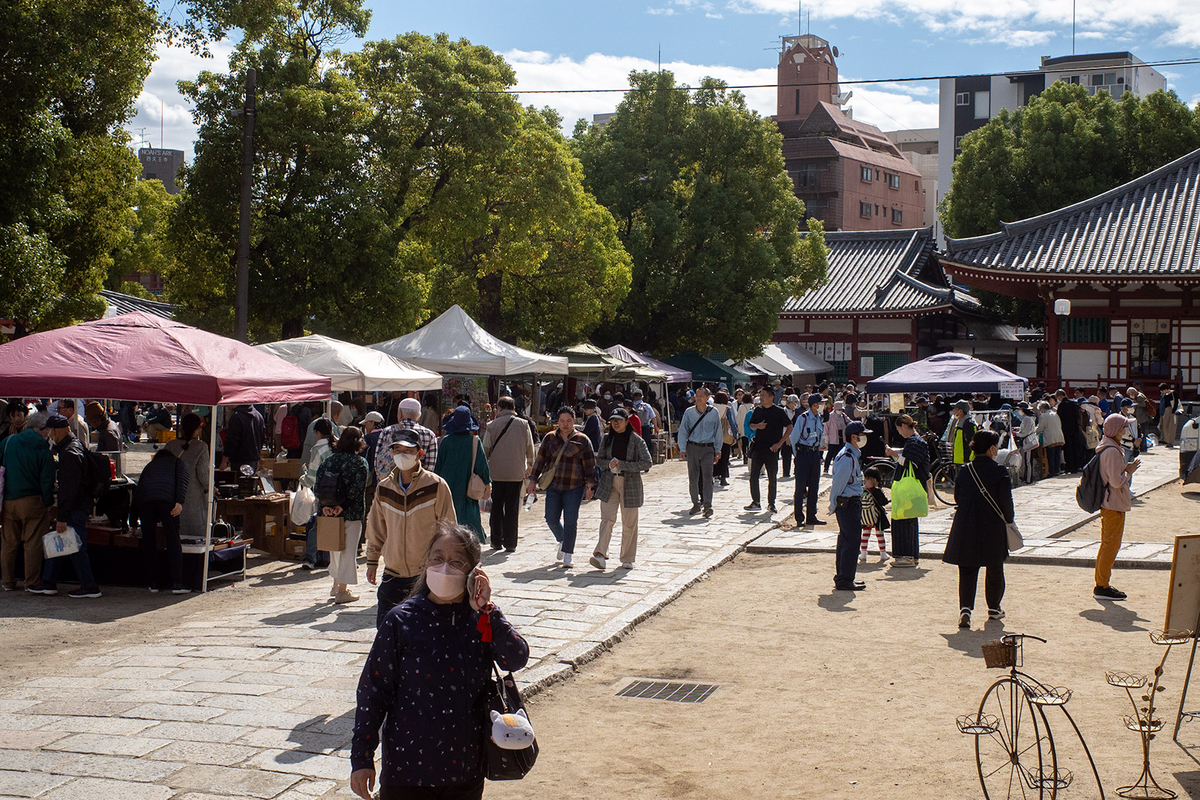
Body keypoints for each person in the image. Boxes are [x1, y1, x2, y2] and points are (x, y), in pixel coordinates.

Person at [350, 523, 528, 800]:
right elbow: (373, 691)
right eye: (437, 558)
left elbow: (515, 658)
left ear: (474, 571)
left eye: (456, 561)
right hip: (406, 770)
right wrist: (361, 759)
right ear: (426, 562)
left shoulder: (480, 618)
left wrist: (487, 611)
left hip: (465, 771)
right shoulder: (401, 620)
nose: (444, 567)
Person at [366, 430, 457, 627]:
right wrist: (372, 560)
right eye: (397, 449)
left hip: (425, 575)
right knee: (386, 633)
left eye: (408, 450)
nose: (402, 454)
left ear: (420, 453)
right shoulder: (384, 488)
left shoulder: (436, 486)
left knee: (425, 634)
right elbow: (376, 528)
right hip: (393, 573)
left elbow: (449, 528)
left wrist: (448, 564)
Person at [21, 416, 102, 598]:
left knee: (75, 546)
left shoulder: (70, 453)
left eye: (50, 431)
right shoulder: (74, 446)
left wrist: (62, 517)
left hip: (74, 507)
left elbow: (68, 489)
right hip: (78, 505)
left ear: (57, 430)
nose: (49, 435)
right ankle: (49, 582)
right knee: (61, 543)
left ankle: (88, 585)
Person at [943, 430, 1014, 628]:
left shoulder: (965, 471)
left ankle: (965, 609)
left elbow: (957, 498)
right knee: (994, 567)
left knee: (967, 569)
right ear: (992, 449)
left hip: (966, 523)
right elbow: (1006, 503)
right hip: (992, 525)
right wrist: (1009, 519)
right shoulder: (1000, 471)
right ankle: (994, 608)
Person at [529, 408, 597, 567]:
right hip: (554, 485)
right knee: (550, 518)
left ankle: (568, 554)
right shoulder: (549, 438)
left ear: (574, 421)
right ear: (557, 422)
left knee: (571, 521)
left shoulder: (582, 440)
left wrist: (590, 486)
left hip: (575, 486)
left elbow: (589, 465)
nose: (565, 424)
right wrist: (532, 480)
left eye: (569, 421)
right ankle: (562, 540)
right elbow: (540, 461)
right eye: (562, 421)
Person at [590, 408, 653, 571]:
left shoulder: (637, 440)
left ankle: (627, 558)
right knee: (607, 519)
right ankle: (600, 554)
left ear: (627, 421)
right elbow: (599, 460)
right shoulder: (607, 439)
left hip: (630, 484)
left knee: (629, 522)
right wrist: (608, 464)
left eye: (619, 420)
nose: (616, 423)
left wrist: (624, 465)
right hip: (609, 483)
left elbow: (647, 462)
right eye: (613, 420)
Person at [315, 426, 370, 604]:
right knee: (349, 551)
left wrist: (326, 506)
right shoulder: (360, 463)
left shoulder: (328, 461)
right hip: (351, 513)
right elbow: (357, 489)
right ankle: (343, 591)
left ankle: (336, 584)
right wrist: (342, 506)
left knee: (335, 550)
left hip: (328, 512)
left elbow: (318, 487)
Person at [1, 413, 55, 591]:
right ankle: (31, 582)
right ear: (42, 429)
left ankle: (8, 582)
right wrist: (48, 502)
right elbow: (47, 480)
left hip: (8, 500)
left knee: (8, 543)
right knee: (32, 543)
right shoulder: (43, 448)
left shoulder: (8, 442)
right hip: (33, 501)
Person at [1094, 414, 1140, 601]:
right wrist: (1128, 472)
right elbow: (1116, 481)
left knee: (1109, 544)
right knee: (1110, 545)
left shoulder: (1109, 447)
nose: (1125, 430)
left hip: (1111, 502)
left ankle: (1102, 583)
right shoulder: (1112, 451)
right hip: (1113, 503)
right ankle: (1102, 585)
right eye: (1123, 427)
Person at [482, 397, 535, 553]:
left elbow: (485, 449)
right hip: (516, 472)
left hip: (496, 473)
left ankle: (496, 541)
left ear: (499, 408)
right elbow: (529, 447)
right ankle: (511, 543)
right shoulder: (523, 425)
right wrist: (530, 465)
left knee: (496, 507)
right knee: (512, 508)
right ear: (513, 408)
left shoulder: (492, 426)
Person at [434, 407, 492, 543]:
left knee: (449, 518)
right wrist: (487, 484)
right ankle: (469, 545)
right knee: (469, 519)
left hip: (447, 487)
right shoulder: (475, 442)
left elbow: (438, 466)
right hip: (467, 489)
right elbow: (482, 466)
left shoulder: (445, 441)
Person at [886, 414, 933, 568]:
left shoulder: (915, 442)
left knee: (903, 520)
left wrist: (894, 454)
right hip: (911, 487)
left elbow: (910, 464)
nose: (899, 433)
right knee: (908, 520)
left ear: (904, 426)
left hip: (909, 488)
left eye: (899, 429)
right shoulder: (916, 441)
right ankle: (910, 555)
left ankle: (907, 555)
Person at [829, 421, 867, 591]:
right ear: (854, 437)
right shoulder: (847, 457)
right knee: (851, 542)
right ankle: (845, 579)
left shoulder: (851, 455)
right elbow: (838, 483)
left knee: (847, 541)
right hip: (848, 504)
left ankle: (844, 577)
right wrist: (832, 503)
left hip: (850, 503)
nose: (864, 438)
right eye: (862, 434)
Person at [676, 387, 722, 519]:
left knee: (708, 477)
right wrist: (682, 448)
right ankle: (695, 503)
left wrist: (718, 450)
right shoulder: (689, 412)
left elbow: (717, 432)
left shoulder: (714, 412)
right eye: (697, 395)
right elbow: (683, 430)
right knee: (693, 477)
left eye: (702, 396)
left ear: (708, 398)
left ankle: (708, 505)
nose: (699, 398)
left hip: (708, 448)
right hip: (693, 447)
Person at [745, 387, 792, 514]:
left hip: (772, 448)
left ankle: (771, 503)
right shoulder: (758, 410)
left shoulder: (779, 411)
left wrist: (780, 443)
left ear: (771, 397)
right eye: (760, 395)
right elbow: (751, 424)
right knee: (754, 475)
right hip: (758, 447)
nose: (761, 397)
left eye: (764, 395)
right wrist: (757, 426)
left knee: (772, 477)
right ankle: (756, 501)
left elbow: (789, 427)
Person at [163, 414, 211, 541]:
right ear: (197, 429)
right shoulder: (201, 447)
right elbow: (203, 476)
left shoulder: (170, 445)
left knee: (174, 536)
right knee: (193, 538)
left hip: (170, 495)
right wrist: (211, 488)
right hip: (192, 496)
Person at [300, 418, 336, 570]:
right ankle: (330, 557)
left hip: (325, 491)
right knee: (336, 523)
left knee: (318, 524)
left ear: (317, 432)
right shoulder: (338, 445)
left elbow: (313, 474)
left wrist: (304, 480)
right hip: (341, 491)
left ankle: (310, 557)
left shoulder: (318, 448)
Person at [374, 398, 439, 481]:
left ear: (400, 413)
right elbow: (430, 466)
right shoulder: (429, 435)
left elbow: (377, 460)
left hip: (390, 484)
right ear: (419, 416)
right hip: (418, 485)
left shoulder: (386, 432)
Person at [790, 393, 828, 529]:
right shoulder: (803, 418)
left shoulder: (819, 418)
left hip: (815, 454)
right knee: (800, 488)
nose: (823, 405)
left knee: (814, 486)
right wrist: (798, 455)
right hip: (803, 454)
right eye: (821, 403)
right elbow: (793, 438)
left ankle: (811, 516)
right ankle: (799, 517)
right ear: (814, 405)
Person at [222, 403, 265, 473]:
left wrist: (224, 460)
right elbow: (262, 439)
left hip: (239, 460)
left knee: (239, 482)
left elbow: (231, 441)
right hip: (253, 459)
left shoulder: (236, 416)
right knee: (250, 483)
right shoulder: (258, 416)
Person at [859, 466, 890, 563]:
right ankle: (883, 553)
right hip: (877, 516)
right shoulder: (876, 491)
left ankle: (863, 553)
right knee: (880, 534)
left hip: (865, 516)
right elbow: (884, 502)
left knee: (865, 534)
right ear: (876, 480)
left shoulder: (861, 490)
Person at [712, 390, 738, 488]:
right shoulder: (727, 409)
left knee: (713, 457)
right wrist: (735, 435)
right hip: (724, 437)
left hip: (713, 436)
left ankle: (713, 475)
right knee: (724, 457)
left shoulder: (711, 408)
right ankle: (723, 477)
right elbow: (731, 423)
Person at [1035, 400, 1065, 477]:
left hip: (1050, 438)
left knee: (1051, 456)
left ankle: (1052, 472)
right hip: (1059, 437)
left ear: (1042, 408)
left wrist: (1034, 430)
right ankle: (1057, 471)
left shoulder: (1044, 416)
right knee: (1057, 455)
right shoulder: (1055, 414)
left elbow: (1040, 428)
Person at [823, 400, 850, 475]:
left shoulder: (843, 416)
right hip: (832, 438)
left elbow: (849, 421)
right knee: (830, 453)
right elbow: (826, 426)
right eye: (839, 409)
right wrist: (826, 436)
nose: (840, 411)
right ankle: (826, 468)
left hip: (841, 437)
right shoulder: (830, 416)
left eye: (841, 409)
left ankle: (836, 468)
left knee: (839, 454)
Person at [946, 400, 977, 466]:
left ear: (960, 411)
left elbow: (971, 443)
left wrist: (967, 460)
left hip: (965, 462)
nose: (953, 411)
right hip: (960, 460)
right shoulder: (961, 422)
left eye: (955, 409)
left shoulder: (968, 423)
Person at [1159, 383, 1180, 448]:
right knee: (1165, 426)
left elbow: (1176, 402)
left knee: (1171, 426)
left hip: (1172, 409)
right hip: (1166, 410)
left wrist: (1173, 411)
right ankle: (1167, 440)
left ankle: (1170, 442)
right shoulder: (1165, 395)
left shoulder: (1173, 393)